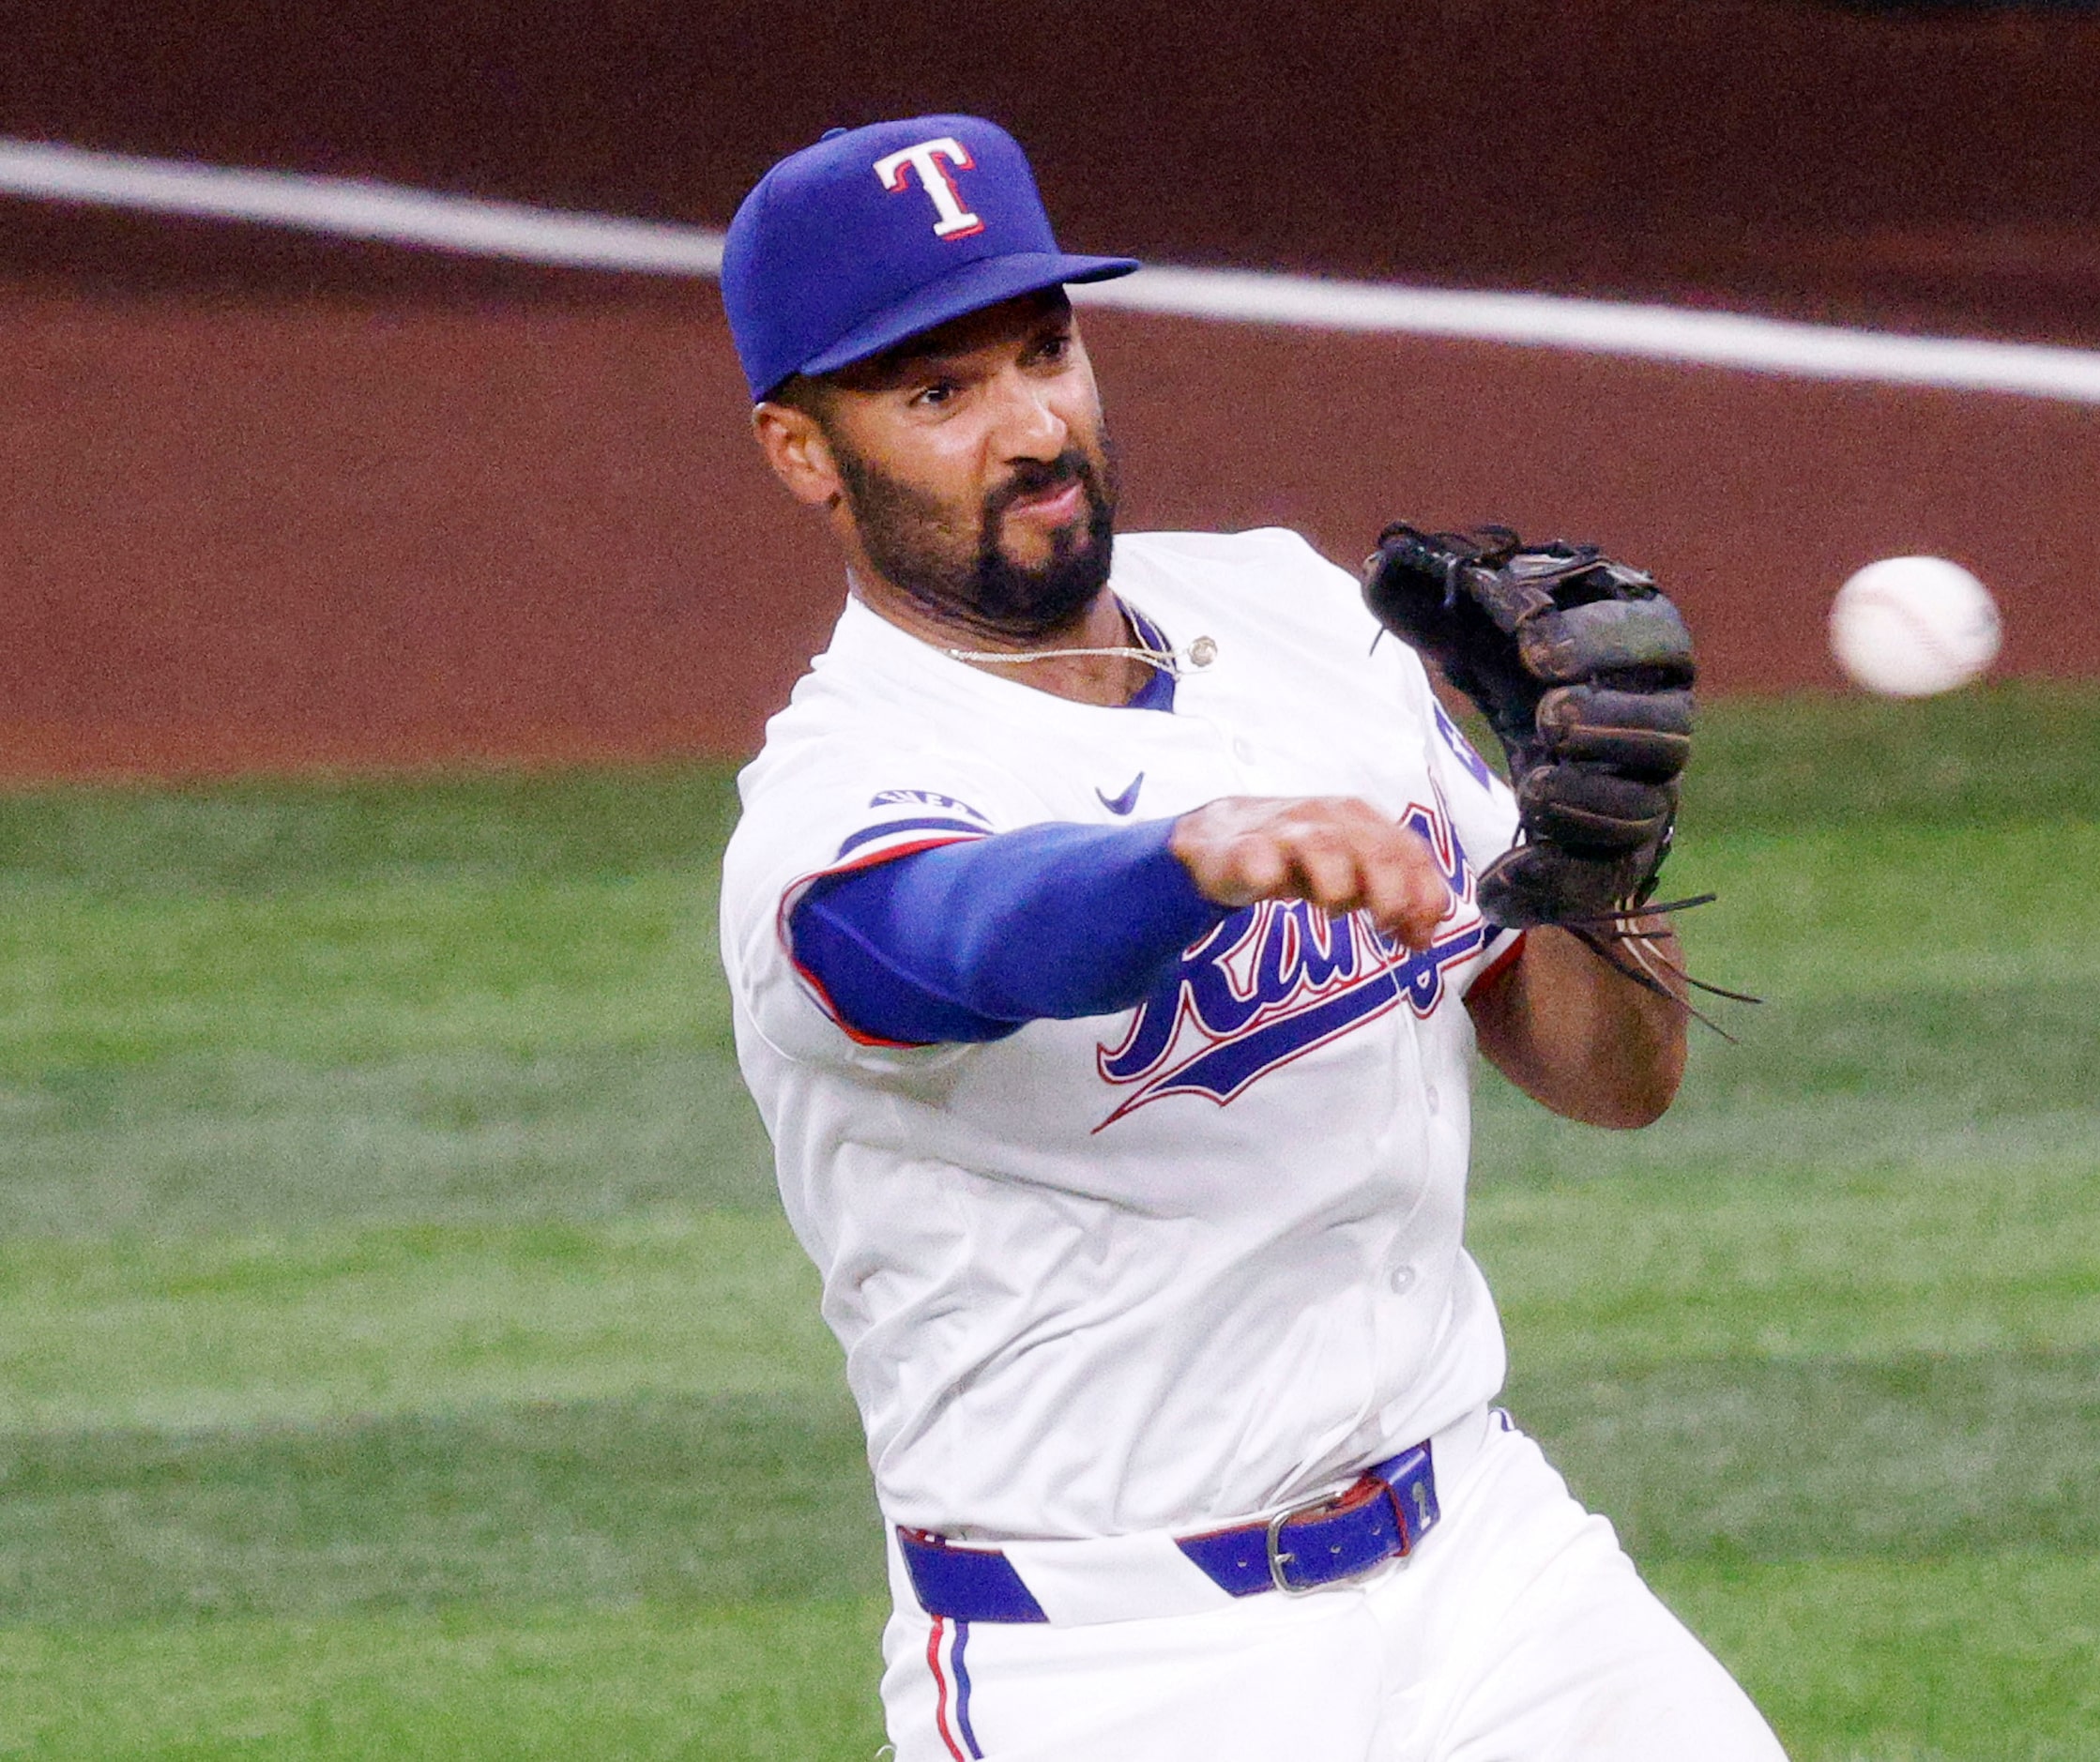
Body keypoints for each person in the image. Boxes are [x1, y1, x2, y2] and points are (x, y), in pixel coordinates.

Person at [716, 114, 1784, 1761]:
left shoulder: (1291, 617)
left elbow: (1610, 1081)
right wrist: (1185, 861)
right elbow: (968, 940)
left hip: (1493, 1567)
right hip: (1124, 1664)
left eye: (1045, 350)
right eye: (939, 393)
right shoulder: (834, 803)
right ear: (803, 450)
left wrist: (1592, 863)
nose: (1032, 426)